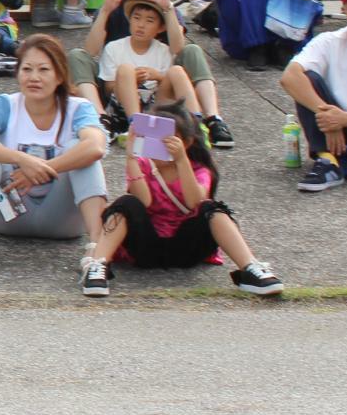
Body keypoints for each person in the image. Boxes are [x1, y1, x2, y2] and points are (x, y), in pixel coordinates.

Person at [80, 102, 282, 298]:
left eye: (169, 140)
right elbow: (145, 202)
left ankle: (250, 267)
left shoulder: (199, 169)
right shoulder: (143, 164)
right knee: (125, 203)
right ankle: (98, 265)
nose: (159, 145)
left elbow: (195, 202)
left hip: (188, 246)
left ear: (185, 143)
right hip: (146, 245)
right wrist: (131, 158)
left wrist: (181, 160)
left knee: (213, 209)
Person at [0, 35, 109, 274]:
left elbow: (95, 147)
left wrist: (42, 170)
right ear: (17, 73)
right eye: (27, 69)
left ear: (59, 75)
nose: (34, 77)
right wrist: (23, 160)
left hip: (63, 220)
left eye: (43, 70)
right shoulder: (4, 104)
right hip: (8, 215)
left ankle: (96, 247)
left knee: (79, 151)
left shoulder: (79, 108)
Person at [72, 0, 235, 147]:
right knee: (77, 56)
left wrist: (166, 8)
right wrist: (106, 10)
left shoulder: (165, 9)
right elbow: (91, 51)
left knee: (192, 51)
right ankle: (102, 119)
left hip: (157, 89)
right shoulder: (113, 7)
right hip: (116, 84)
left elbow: (178, 48)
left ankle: (212, 119)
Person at [280, 0, 347, 191]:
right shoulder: (330, 41)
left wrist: (345, 119)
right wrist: (329, 117)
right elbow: (289, 77)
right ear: (346, 13)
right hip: (337, 129)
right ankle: (328, 162)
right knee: (308, 79)